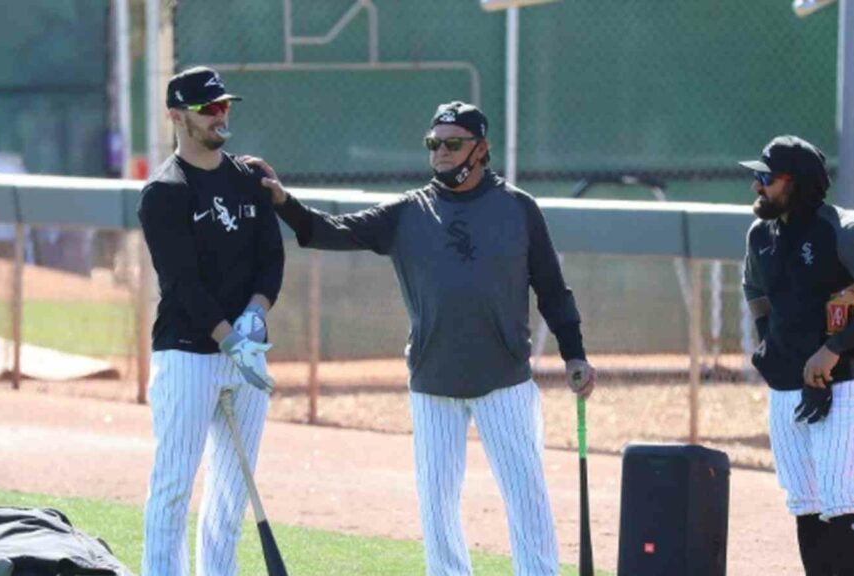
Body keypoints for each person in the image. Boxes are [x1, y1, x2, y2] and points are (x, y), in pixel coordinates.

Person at [244, 101, 596, 576]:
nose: (442, 154)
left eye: (453, 144)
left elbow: (553, 290)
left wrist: (574, 355)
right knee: (436, 506)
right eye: (434, 144)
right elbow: (330, 230)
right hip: (433, 383)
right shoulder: (408, 211)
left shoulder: (518, 208)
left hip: (505, 380)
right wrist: (283, 202)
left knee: (527, 496)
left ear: (482, 148)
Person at [740, 135, 854, 576]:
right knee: (805, 503)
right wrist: (767, 339)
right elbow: (754, 288)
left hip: (846, 381)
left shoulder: (843, 231)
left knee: (839, 502)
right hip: (786, 385)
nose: (757, 186)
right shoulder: (760, 234)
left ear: (794, 183)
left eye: (766, 177)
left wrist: (832, 349)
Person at [137, 66, 284, 576]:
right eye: (208, 108)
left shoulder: (249, 176)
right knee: (174, 487)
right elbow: (181, 282)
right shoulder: (164, 190)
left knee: (231, 494)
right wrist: (231, 342)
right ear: (178, 117)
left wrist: (255, 315)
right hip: (187, 351)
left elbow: (271, 258)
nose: (221, 115)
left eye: (224, 105)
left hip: (244, 348)